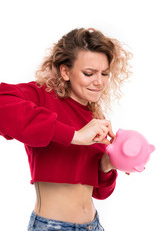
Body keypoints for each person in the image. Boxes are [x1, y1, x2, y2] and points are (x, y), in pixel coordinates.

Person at [0, 28, 132, 231]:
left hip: (94, 225)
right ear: (65, 71)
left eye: (104, 73)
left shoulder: (95, 117)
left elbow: (99, 193)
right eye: (89, 73)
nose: (99, 81)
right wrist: (75, 136)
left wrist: (107, 164)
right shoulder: (42, 97)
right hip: (53, 226)